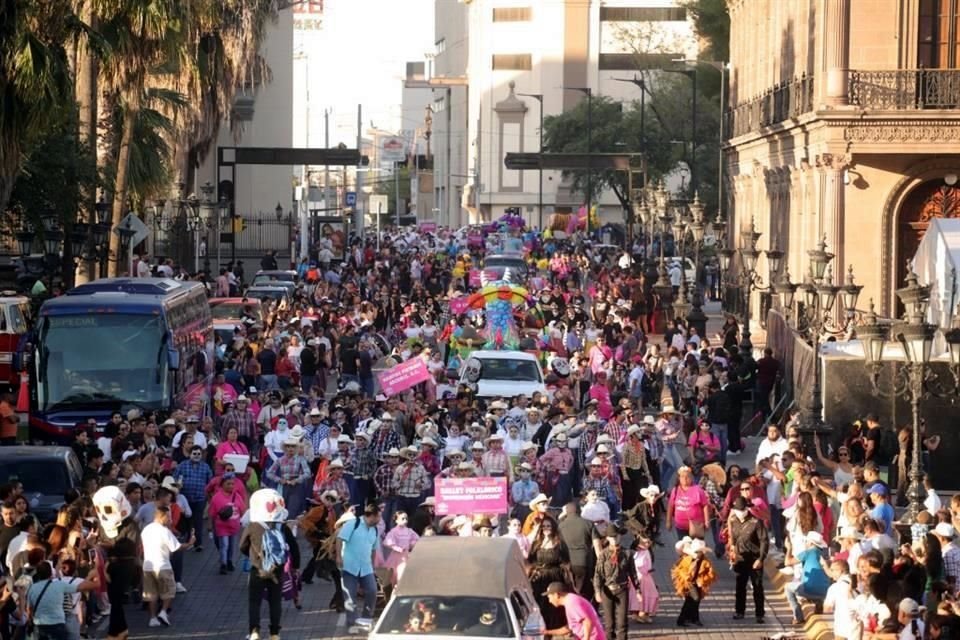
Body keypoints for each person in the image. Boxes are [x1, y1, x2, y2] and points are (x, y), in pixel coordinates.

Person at [240, 488, 300, 640]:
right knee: (275, 602)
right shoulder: (282, 526)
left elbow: (242, 546)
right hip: (277, 570)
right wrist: (296, 566)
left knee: (254, 602)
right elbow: (293, 547)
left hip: (258, 569)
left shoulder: (253, 526)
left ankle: (254, 631)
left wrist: (254, 556)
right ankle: (275, 633)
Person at [141, 506, 194, 627]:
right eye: (168, 516)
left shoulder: (146, 529)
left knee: (152, 594)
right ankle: (163, 612)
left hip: (147, 566)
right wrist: (190, 543)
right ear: (162, 516)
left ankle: (153, 618)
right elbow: (176, 547)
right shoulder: (164, 531)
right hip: (163, 566)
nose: (170, 519)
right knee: (169, 591)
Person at [27, 559, 99, 640]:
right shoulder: (59, 585)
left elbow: (29, 609)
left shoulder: (32, 588)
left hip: (39, 625)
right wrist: (92, 576)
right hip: (57, 624)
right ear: (50, 573)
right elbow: (84, 587)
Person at [337, 503, 381, 634]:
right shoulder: (353, 524)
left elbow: (373, 549)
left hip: (366, 568)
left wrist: (373, 566)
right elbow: (340, 539)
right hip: (350, 566)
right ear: (371, 516)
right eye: (378, 517)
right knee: (350, 596)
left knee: (372, 591)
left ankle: (366, 618)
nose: (380, 520)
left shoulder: (375, 530)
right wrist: (338, 557)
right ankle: (352, 623)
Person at [727, 496, 768, 623]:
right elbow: (733, 538)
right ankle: (739, 611)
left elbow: (764, 541)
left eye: (741, 509)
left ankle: (759, 614)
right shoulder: (733, 520)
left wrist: (761, 559)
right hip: (740, 558)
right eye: (737, 509)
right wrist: (732, 550)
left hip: (754, 558)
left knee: (757, 586)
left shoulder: (756, 522)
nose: (739, 512)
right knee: (740, 586)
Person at [592, 523, 636, 640]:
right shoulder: (603, 554)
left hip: (622, 589)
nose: (614, 539)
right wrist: (597, 591)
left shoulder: (627, 553)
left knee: (622, 622)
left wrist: (638, 590)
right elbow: (598, 574)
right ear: (607, 538)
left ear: (620, 537)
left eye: (616, 536)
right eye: (611, 537)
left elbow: (633, 573)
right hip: (607, 590)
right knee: (610, 623)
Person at [783, 531, 830, 625]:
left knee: (788, 587)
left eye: (806, 542)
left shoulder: (808, 552)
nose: (805, 543)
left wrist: (789, 548)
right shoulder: (824, 554)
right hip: (826, 592)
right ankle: (818, 603)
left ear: (811, 543)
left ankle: (798, 617)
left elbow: (787, 562)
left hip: (809, 590)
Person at [670, 537, 717, 628]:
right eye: (698, 552)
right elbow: (680, 571)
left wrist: (703, 580)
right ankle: (682, 619)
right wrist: (687, 579)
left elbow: (710, 572)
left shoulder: (704, 561)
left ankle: (694, 619)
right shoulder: (687, 560)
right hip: (688, 583)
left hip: (698, 583)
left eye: (701, 552)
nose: (700, 554)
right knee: (693, 600)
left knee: (695, 601)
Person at [209, 472, 246, 574]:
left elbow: (242, 509)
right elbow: (212, 513)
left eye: (232, 484)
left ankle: (229, 561)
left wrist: (244, 523)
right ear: (222, 485)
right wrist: (209, 526)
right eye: (228, 484)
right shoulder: (216, 497)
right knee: (224, 545)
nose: (231, 486)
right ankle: (223, 564)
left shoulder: (237, 496)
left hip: (234, 527)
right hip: (222, 527)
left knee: (232, 546)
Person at [541, 582, 605, 640]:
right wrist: (547, 632)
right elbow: (570, 627)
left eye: (549, 597)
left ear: (557, 595)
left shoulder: (572, 602)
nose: (550, 601)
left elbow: (587, 621)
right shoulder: (570, 600)